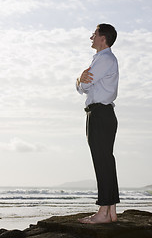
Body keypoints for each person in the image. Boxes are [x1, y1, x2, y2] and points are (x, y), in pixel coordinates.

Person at [76, 23, 120, 224]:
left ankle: (103, 212)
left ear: (103, 38)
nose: (91, 37)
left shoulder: (104, 59)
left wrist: (79, 80)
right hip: (102, 113)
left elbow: (85, 85)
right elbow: (84, 85)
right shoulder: (102, 59)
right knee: (106, 161)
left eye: (94, 34)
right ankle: (110, 210)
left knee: (102, 161)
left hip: (100, 114)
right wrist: (80, 80)